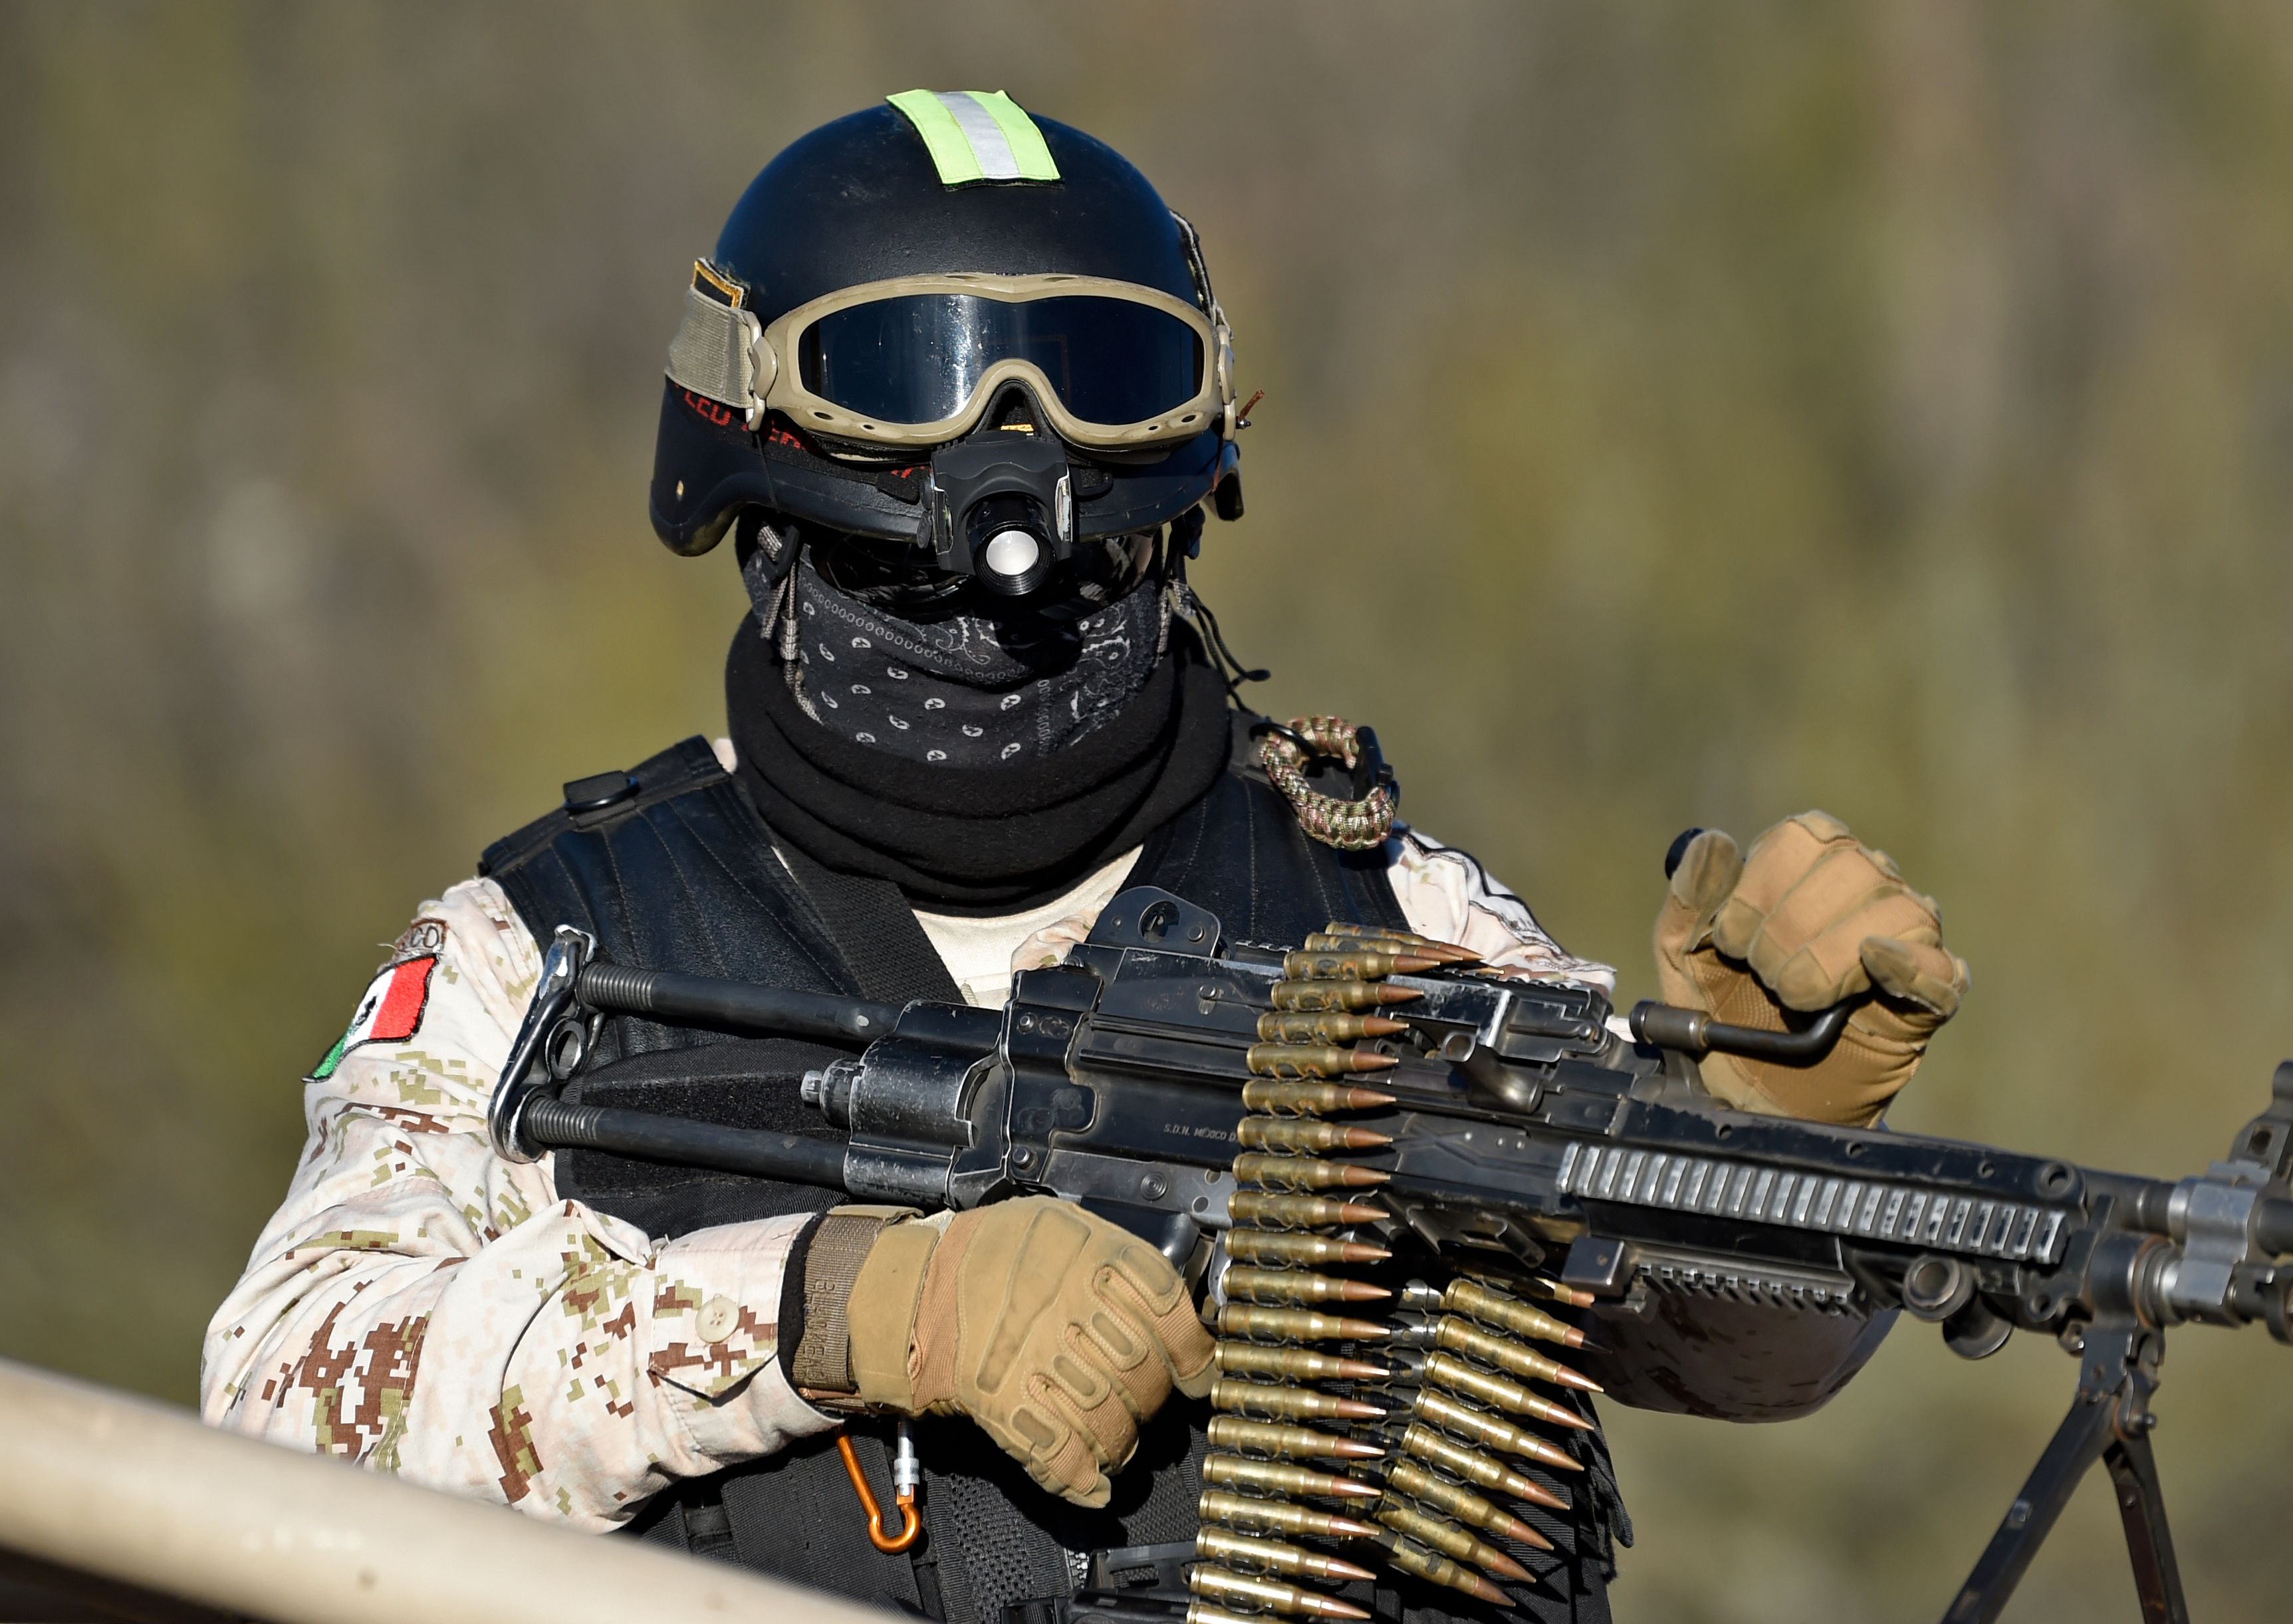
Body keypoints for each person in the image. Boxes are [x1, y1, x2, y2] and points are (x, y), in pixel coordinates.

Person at [201, 92, 1972, 1623]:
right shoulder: (545, 951)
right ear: (754, 457)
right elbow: (281, 1408)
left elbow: (1723, 1358)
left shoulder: (1390, 911)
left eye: (1095, 382)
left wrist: (1773, 1128)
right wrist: (841, 1307)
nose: (1016, 470)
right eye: (914, 387)